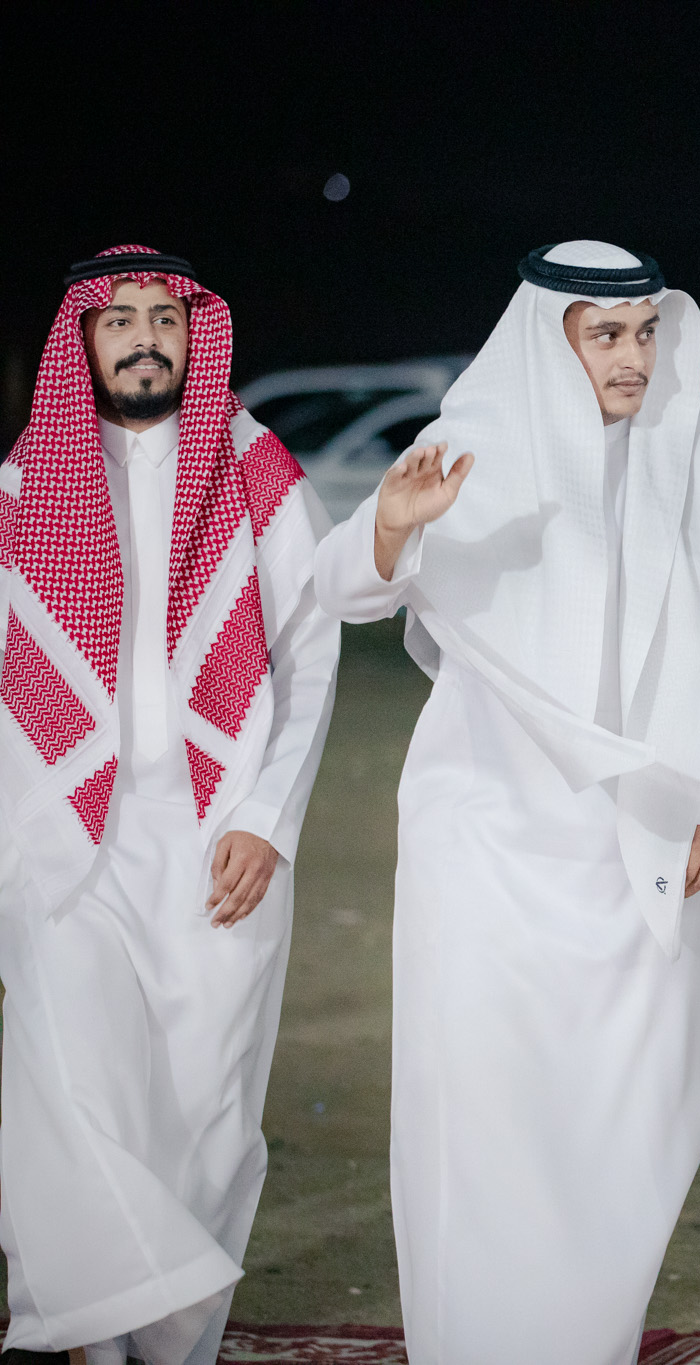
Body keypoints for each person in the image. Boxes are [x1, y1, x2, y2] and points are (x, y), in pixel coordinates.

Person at [312, 241, 700, 1365]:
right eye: (606, 336)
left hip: (657, 846)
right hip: (487, 847)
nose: (634, 358)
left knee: (630, 1123)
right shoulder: (478, 444)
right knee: (483, 1120)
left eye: (645, 334)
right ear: (551, 341)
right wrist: (392, 525)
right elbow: (341, 587)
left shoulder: (698, 457)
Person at [0, 247, 340, 1364]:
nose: (144, 337)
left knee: (208, 1117)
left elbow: (310, 651)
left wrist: (268, 818)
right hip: (61, 840)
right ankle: (95, 1341)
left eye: (163, 318)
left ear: (196, 334)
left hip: (217, 834)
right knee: (77, 1091)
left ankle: (171, 1343)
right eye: (120, 320)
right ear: (83, 342)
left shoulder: (255, 468)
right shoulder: (23, 484)